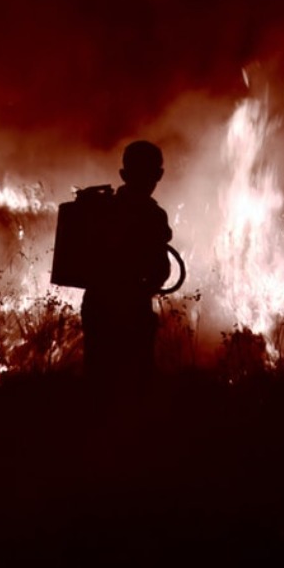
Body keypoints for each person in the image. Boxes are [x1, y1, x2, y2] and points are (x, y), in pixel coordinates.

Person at [80, 140, 173, 393]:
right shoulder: (154, 216)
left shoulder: (101, 208)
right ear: (159, 175)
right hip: (134, 307)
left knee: (99, 376)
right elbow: (160, 267)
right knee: (135, 379)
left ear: (123, 174)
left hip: (98, 304)